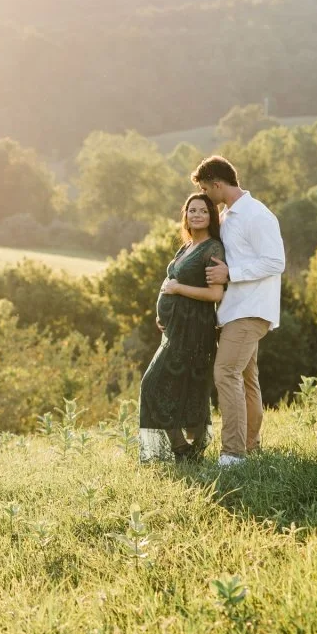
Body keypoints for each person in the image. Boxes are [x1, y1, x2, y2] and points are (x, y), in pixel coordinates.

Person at [193, 155, 285, 467]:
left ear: (218, 184)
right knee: (246, 379)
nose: (206, 196)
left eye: (207, 189)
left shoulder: (257, 215)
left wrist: (231, 273)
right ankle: (250, 447)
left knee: (225, 372)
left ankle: (232, 454)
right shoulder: (231, 215)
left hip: (251, 309)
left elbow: (276, 261)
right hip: (234, 310)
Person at [138, 192, 225, 462]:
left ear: (211, 217)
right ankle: (187, 452)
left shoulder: (212, 248)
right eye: (192, 210)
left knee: (158, 384)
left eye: (203, 211)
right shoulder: (186, 247)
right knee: (181, 387)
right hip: (176, 328)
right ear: (185, 215)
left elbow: (215, 294)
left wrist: (177, 289)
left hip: (195, 330)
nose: (196, 215)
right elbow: (171, 285)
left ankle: (187, 448)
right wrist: (164, 312)